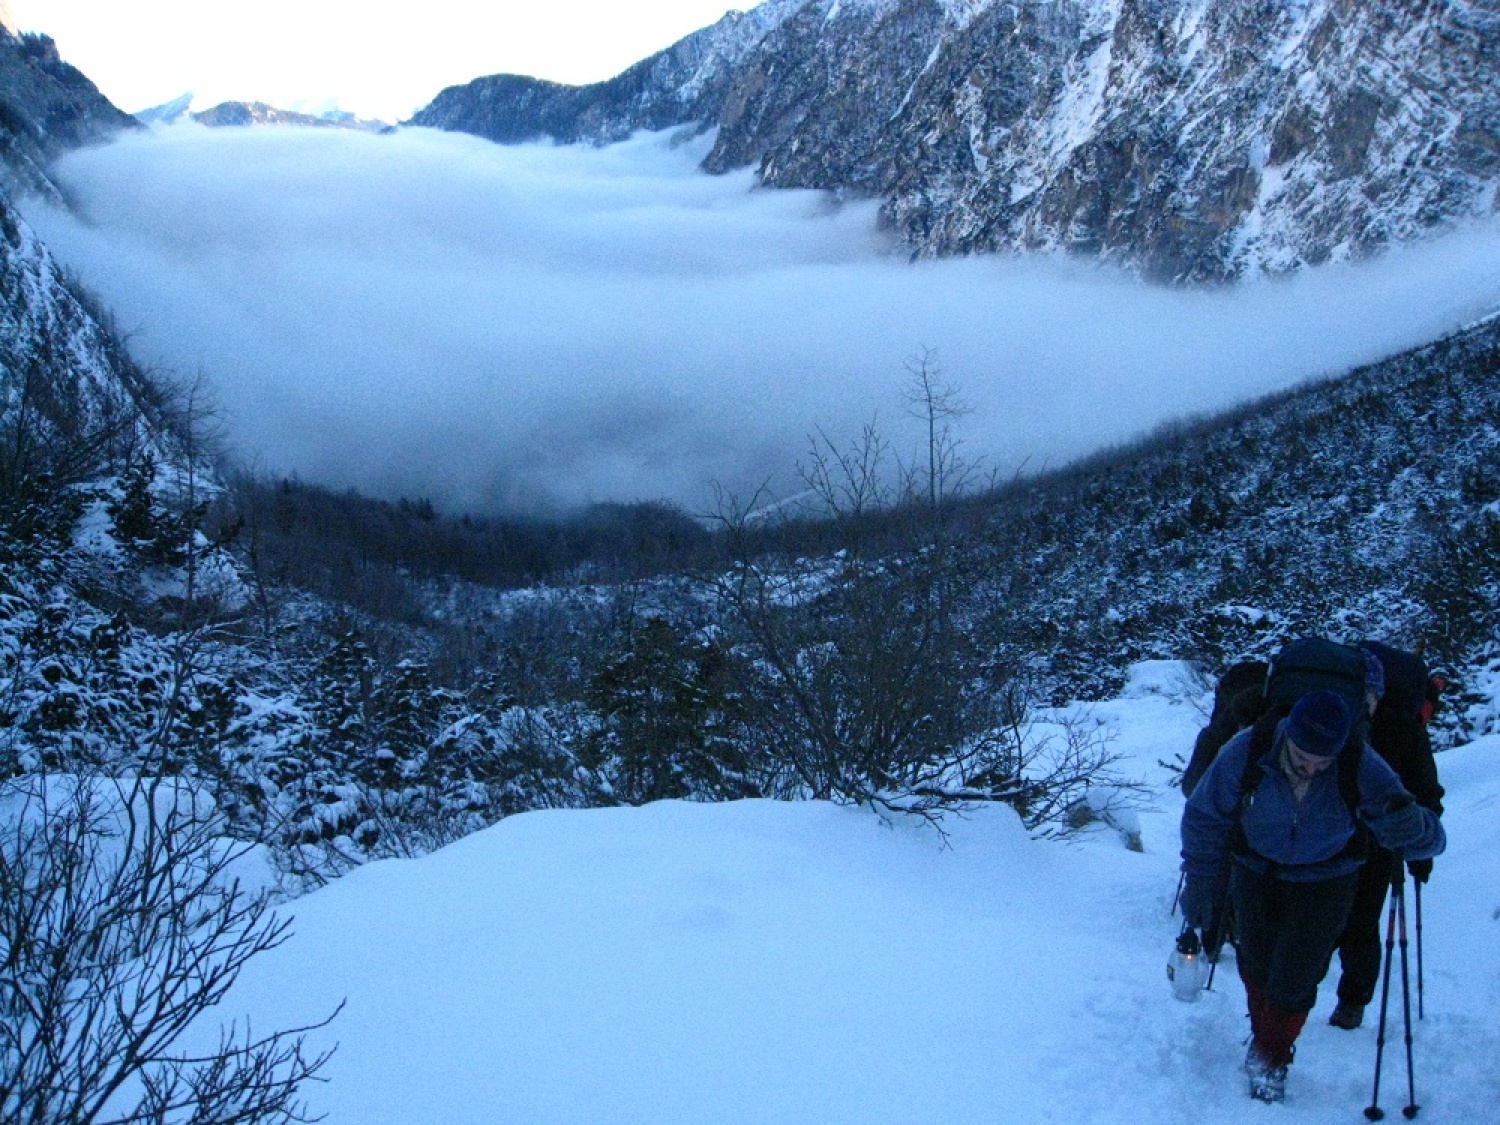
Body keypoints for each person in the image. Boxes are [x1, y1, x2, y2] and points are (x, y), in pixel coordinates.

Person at [1179, 689, 1445, 1103]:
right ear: (1289, 734)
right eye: (1304, 756)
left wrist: (1415, 829)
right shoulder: (1248, 750)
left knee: (1296, 977)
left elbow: (1425, 834)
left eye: (1323, 761)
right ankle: (1264, 1036)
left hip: (1328, 879)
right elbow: (1203, 817)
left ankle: (1272, 1056)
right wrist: (1200, 885)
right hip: (1254, 870)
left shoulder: (1358, 761)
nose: (1312, 767)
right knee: (1257, 965)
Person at [1327, 641, 1446, 1030]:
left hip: (1330, 831)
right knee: (1363, 923)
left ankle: (1291, 999)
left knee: (1317, 913)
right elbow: (1425, 788)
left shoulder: (1339, 713)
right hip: (1382, 840)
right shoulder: (1408, 727)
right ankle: (1352, 1003)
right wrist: (1420, 849)